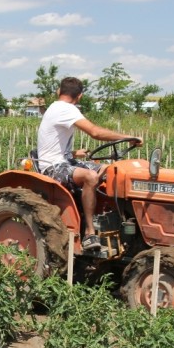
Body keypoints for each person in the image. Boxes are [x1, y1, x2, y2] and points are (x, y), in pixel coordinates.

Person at [36, 76, 142, 251]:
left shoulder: (56, 107)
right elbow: (95, 132)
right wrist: (128, 138)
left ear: (58, 91)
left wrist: (74, 153)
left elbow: (53, 143)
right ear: (80, 96)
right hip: (52, 168)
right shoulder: (65, 109)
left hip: (64, 160)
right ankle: (89, 232)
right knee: (91, 176)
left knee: (111, 169)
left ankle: (114, 220)